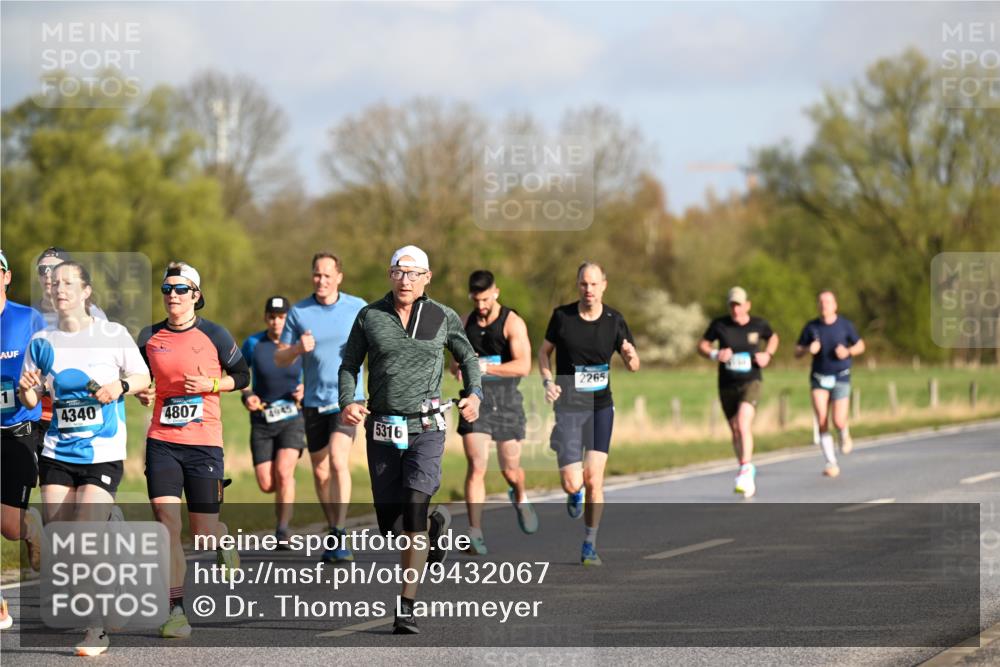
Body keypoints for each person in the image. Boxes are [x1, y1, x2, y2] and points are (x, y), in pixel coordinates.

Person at [339, 245, 482, 634]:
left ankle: (406, 605)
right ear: (390, 275)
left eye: (414, 273)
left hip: (428, 427)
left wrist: (474, 394)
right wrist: (348, 400)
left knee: (414, 507)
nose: (406, 280)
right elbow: (349, 364)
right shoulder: (370, 316)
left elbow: (468, 358)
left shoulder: (442, 316)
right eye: (399, 272)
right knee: (391, 526)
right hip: (383, 428)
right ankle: (437, 525)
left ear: (427, 278)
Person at [18, 260, 150, 656]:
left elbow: (143, 377)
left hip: (102, 453)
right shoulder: (42, 341)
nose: (59, 289)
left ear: (87, 291)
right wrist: (29, 389)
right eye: (54, 283)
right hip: (58, 451)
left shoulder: (112, 334)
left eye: (68, 282)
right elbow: (32, 398)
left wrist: (120, 386)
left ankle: (96, 629)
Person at [136, 262, 249, 640]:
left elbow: (244, 376)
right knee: (167, 526)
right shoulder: (149, 337)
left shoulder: (214, 334)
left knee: (203, 534)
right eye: (167, 289)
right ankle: (176, 610)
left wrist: (212, 383)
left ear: (196, 295)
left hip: (204, 445)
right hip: (162, 442)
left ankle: (223, 538)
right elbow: (139, 377)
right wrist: (142, 390)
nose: (172, 296)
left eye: (181, 289)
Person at [538, 262, 639, 566]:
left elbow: (633, 362)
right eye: (584, 284)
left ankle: (589, 543)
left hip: (600, 408)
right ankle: (573, 490)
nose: (589, 290)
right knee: (573, 483)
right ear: (577, 285)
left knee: (594, 477)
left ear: (604, 285)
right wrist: (547, 381)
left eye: (594, 284)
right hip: (568, 407)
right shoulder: (562, 317)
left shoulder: (614, 320)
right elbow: (544, 353)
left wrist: (632, 357)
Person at [274, 253, 366, 562]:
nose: (322, 280)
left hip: (348, 398)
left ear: (339, 276)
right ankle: (333, 527)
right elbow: (280, 357)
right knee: (321, 471)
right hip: (313, 401)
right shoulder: (299, 312)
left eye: (327, 275)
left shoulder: (358, 307)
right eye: (317, 275)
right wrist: (299, 348)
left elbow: (378, 344)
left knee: (339, 461)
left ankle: (340, 532)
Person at [452, 270, 536, 555]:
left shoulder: (512, 322)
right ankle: (474, 533)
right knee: (477, 465)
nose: (481, 306)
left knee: (510, 470)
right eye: (476, 300)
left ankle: (520, 496)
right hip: (476, 403)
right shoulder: (465, 322)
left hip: (508, 402)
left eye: (485, 299)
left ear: (496, 293)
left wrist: (484, 368)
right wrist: (461, 369)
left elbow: (524, 365)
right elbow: (455, 364)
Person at [0, 249, 46, 632]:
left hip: (19, 430)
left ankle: (29, 527)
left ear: (7, 276)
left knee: (9, 527)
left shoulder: (28, 318)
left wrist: (37, 384)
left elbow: (50, 365)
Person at [698, 287, 779, 499]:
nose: (736, 309)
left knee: (743, 423)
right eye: (732, 305)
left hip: (751, 380)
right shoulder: (720, 325)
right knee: (735, 430)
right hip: (727, 383)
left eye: (739, 304)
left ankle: (745, 470)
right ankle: (745, 468)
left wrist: (767, 355)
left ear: (747, 305)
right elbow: (702, 345)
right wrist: (715, 353)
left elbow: (773, 338)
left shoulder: (758, 324)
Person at [241, 296, 305, 544]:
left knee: (284, 471)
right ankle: (285, 493)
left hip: (292, 416)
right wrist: (247, 396)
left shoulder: (300, 343)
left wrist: (305, 389)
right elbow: (239, 375)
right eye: (272, 317)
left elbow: (319, 370)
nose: (277, 322)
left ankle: (282, 529)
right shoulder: (253, 343)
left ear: (288, 319)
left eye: (281, 317)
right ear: (266, 318)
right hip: (262, 419)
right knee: (267, 483)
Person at [33, 248, 107, 433]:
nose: (48, 275)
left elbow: (105, 362)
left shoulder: (94, 314)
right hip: (40, 415)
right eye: (43, 269)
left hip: (82, 409)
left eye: (54, 268)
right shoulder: (30, 315)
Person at [795, 290, 866, 477]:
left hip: (841, 376)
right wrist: (808, 349)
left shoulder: (845, 326)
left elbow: (861, 345)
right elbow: (797, 351)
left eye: (827, 302)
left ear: (835, 305)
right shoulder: (811, 327)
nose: (823, 305)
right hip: (819, 378)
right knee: (821, 419)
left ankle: (844, 433)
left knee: (838, 420)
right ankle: (830, 462)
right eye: (820, 302)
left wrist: (848, 351)